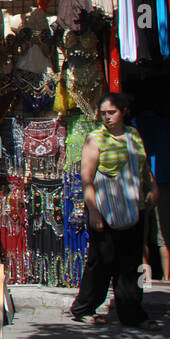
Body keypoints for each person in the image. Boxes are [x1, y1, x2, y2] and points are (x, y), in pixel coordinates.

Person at [70, 93, 159, 327]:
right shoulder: (95, 139)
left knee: (132, 264)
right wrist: (94, 212)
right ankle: (84, 308)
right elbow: (87, 180)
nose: (107, 117)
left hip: (133, 209)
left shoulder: (133, 136)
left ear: (124, 111)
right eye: (104, 113)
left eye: (112, 112)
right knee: (101, 262)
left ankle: (132, 313)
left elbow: (143, 167)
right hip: (105, 210)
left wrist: (153, 187)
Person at [133, 102, 170, 281]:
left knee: (141, 234)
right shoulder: (168, 127)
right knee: (165, 236)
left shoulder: (132, 126)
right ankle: (167, 278)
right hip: (162, 183)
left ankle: (144, 281)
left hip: (139, 184)